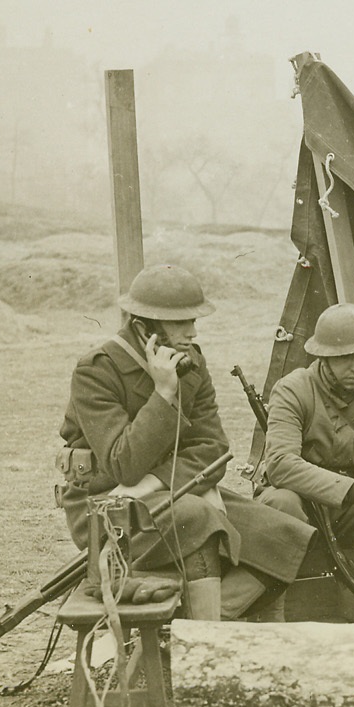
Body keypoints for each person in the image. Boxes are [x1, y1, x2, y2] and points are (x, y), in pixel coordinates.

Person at [57, 264, 317, 621]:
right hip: (109, 511)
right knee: (197, 517)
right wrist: (164, 393)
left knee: (284, 527)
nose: (192, 332)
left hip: (175, 494)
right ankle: (202, 635)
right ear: (143, 326)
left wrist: (155, 482)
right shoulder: (97, 370)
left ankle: (208, 623)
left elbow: (213, 448)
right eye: (180, 322)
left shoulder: (191, 363)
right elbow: (123, 464)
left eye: (193, 321)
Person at [255, 302, 354, 553]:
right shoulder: (293, 389)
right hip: (302, 500)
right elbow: (280, 464)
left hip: (350, 508)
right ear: (324, 357)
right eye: (346, 357)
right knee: (281, 503)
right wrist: (350, 490)